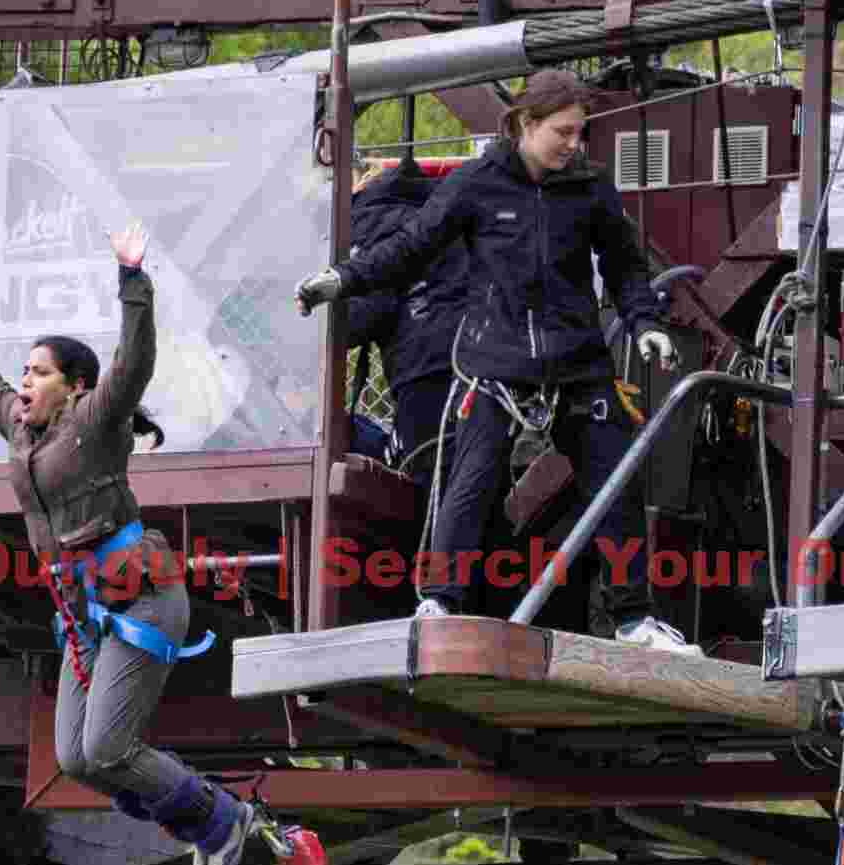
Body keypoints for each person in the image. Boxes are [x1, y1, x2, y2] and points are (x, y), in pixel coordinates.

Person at [295, 70, 691, 647]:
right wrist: (343, 278)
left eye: (579, 133)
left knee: (615, 483)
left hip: (578, 360)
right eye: (563, 132)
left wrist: (645, 324)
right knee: (470, 480)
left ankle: (633, 618)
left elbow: (625, 265)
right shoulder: (476, 183)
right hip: (496, 361)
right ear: (527, 124)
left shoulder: (591, 187)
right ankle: (438, 602)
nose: (573, 145)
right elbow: (411, 249)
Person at [0, 222, 256, 865]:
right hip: (83, 614)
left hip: (145, 601)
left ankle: (221, 819)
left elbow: (135, 360)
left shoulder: (96, 423)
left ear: (73, 387)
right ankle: (194, 822)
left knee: (106, 746)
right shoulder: (18, 427)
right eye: (26, 371)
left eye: (38, 373)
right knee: (74, 758)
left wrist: (133, 281)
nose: (23, 382)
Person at [345, 148, 472, 474]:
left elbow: (370, 307)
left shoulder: (369, 216)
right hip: (471, 351)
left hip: (426, 363)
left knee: (429, 475)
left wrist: (311, 323)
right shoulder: (420, 207)